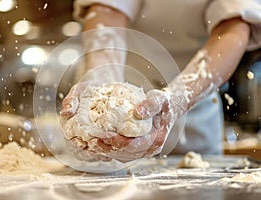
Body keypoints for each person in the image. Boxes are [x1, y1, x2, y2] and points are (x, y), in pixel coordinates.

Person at [61, 0, 261, 162]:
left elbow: (234, 26)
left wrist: (176, 100)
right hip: (120, 90)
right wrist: (102, 83)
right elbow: (107, 9)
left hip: (194, 104)